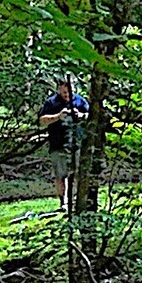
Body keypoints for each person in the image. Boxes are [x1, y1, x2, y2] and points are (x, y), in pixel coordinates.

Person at [39, 78, 88, 207]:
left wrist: (81, 115)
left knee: (78, 172)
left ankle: (78, 200)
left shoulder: (80, 100)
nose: (67, 95)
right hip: (58, 143)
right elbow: (42, 120)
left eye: (69, 92)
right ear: (59, 89)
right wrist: (58, 116)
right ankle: (63, 202)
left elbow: (91, 116)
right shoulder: (51, 102)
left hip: (77, 143)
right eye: (64, 92)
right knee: (61, 174)